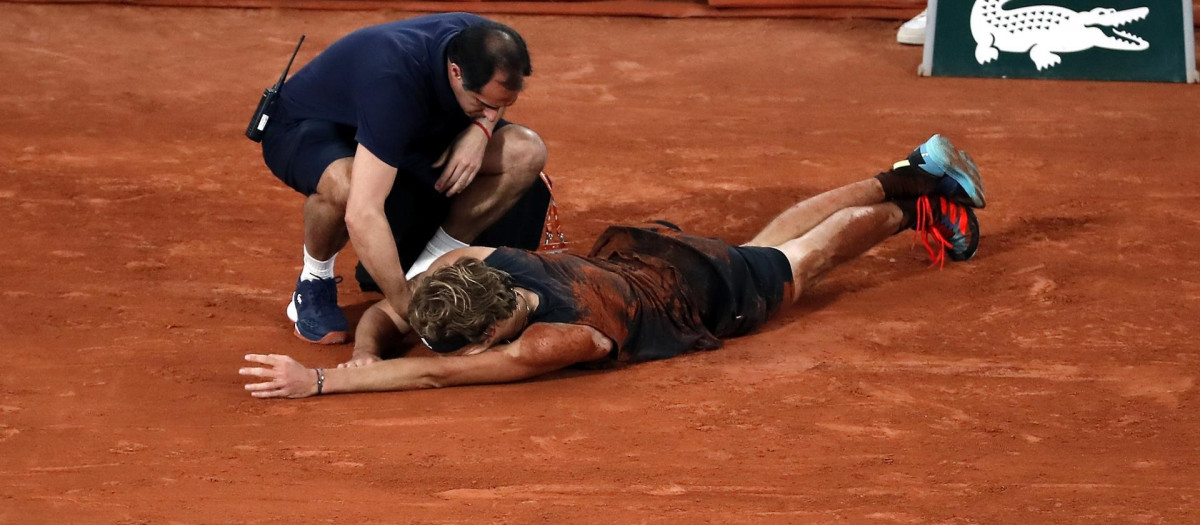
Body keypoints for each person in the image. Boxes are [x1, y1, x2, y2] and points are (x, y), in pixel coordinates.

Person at [239, 135, 986, 398]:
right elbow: (391, 311)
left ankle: (910, 201)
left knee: (804, 257)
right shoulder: (471, 265)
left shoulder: (555, 341)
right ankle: (903, 171)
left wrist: (323, 383)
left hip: (704, 291)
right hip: (640, 251)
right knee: (769, 242)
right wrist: (370, 349)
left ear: (492, 331)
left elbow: (438, 373)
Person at [258, 13, 549, 346]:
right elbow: (363, 213)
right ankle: (315, 279)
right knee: (347, 187)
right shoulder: (393, 80)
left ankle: (432, 265)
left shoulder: (484, 42)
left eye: (502, 105)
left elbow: (493, 100)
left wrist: (482, 129)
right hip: (309, 128)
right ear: (456, 72)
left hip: (404, 125)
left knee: (526, 151)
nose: (492, 111)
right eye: (483, 104)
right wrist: (410, 311)